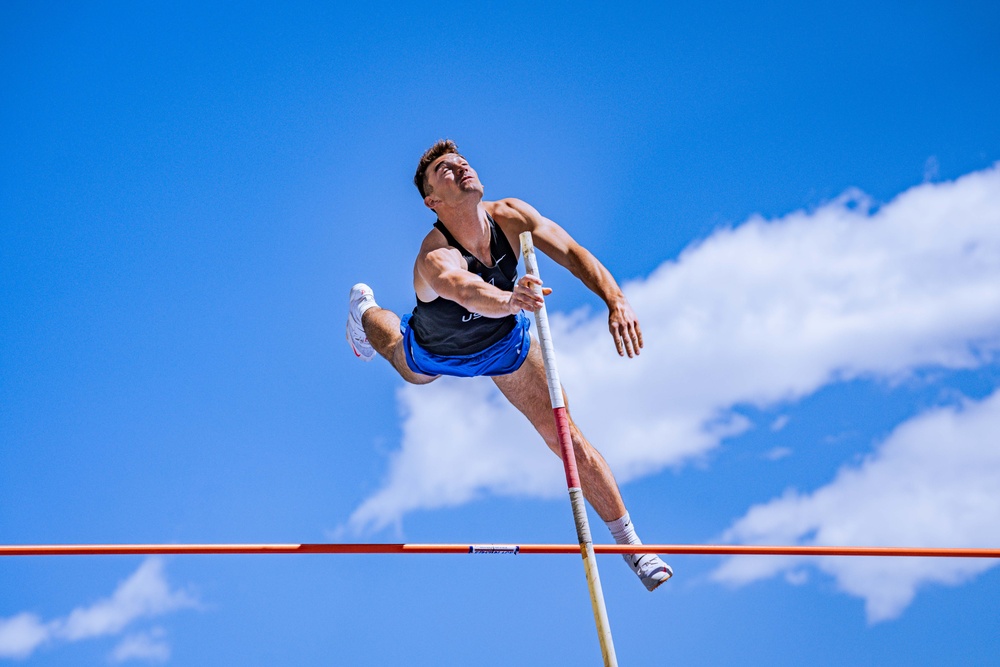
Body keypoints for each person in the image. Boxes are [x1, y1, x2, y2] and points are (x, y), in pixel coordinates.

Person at [346, 140, 671, 591]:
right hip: (442, 348)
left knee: (566, 437)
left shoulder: (512, 216)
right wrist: (508, 299)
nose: (459, 166)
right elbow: (463, 289)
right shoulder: (435, 255)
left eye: (461, 160)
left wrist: (615, 300)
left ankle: (633, 547)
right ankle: (363, 313)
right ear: (432, 201)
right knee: (408, 365)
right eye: (443, 169)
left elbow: (572, 253)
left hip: (505, 347)